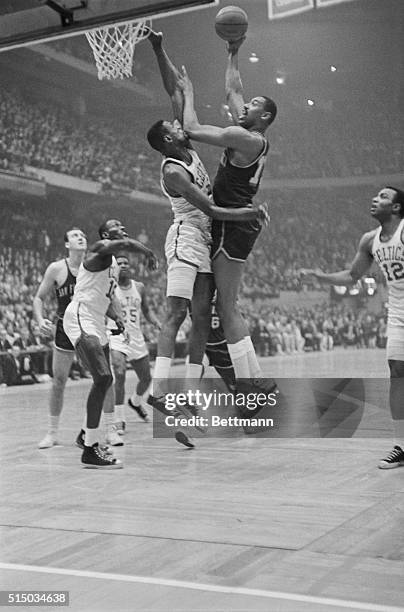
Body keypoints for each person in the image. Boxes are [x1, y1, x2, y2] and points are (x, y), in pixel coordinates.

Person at [146, 31, 269, 422]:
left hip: (212, 232)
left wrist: (166, 58)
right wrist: (232, 52)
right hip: (191, 234)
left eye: (251, 105)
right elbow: (209, 98)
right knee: (185, 314)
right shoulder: (175, 167)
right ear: (169, 138)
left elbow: (182, 104)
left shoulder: (200, 146)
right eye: (173, 125)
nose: (178, 122)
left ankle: (199, 392)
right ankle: (162, 390)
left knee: (210, 313)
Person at [178, 38, 277, 387]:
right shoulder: (249, 131)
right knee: (227, 307)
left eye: (251, 105)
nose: (243, 105)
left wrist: (188, 94)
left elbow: (191, 130)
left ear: (263, 116)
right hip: (237, 221)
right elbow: (233, 89)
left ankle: (252, 386)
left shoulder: (244, 137)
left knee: (228, 308)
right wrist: (233, 51)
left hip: (233, 222)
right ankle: (259, 380)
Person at [300, 186, 404, 469]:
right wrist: (319, 276)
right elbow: (351, 275)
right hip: (397, 313)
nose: (375, 199)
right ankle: (401, 445)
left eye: (383, 197)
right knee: (396, 373)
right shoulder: (370, 240)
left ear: (396, 208)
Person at [63, 219, 157, 469]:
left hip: (98, 318)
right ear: (106, 234)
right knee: (104, 378)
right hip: (82, 316)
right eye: (117, 225)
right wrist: (147, 252)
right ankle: (91, 449)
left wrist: (118, 319)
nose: (123, 227)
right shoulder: (100, 248)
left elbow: (107, 295)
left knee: (105, 381)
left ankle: (85, 433)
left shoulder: (113, 263)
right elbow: (125, 242)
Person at [34, 227, 88, 449]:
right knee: (59, 381)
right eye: (75, 236)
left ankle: (91, 430)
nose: (81, 238)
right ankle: (53, 432)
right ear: (67, 244)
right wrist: (40, 320)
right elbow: (38, 298)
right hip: (65, 327)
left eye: (83, 235)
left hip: (88, 326)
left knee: (102, 379)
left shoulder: (93, 266)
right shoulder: (56, 268)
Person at [108, 253, 161, 434]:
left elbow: (146, 310)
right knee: (120, 374)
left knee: (146, 378)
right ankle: (119, 419)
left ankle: (135, 402)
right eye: (119, 263)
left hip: (136, 337)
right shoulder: (110, 287)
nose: (123, 265)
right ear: (114, 267)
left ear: (130, 267)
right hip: (116, 336)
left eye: (126, 263)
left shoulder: (139, 287)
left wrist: (156, 323)